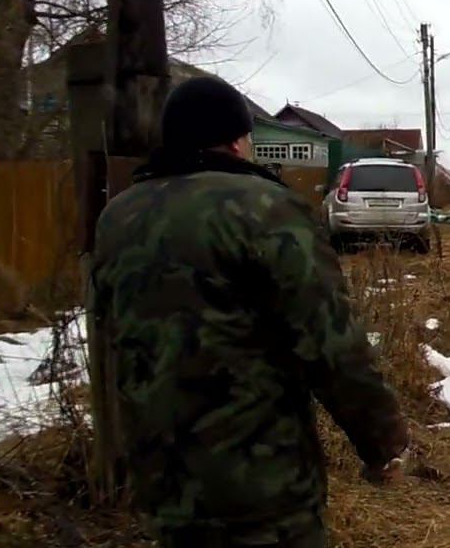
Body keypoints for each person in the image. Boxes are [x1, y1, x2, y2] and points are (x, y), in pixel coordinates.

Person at [89, 76, 408, 548]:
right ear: (238, 141)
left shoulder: (118, 215)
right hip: (260, 481)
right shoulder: (266, 209)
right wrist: (382, 442)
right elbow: (331, 343)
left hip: (161, 476)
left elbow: (109, 330)